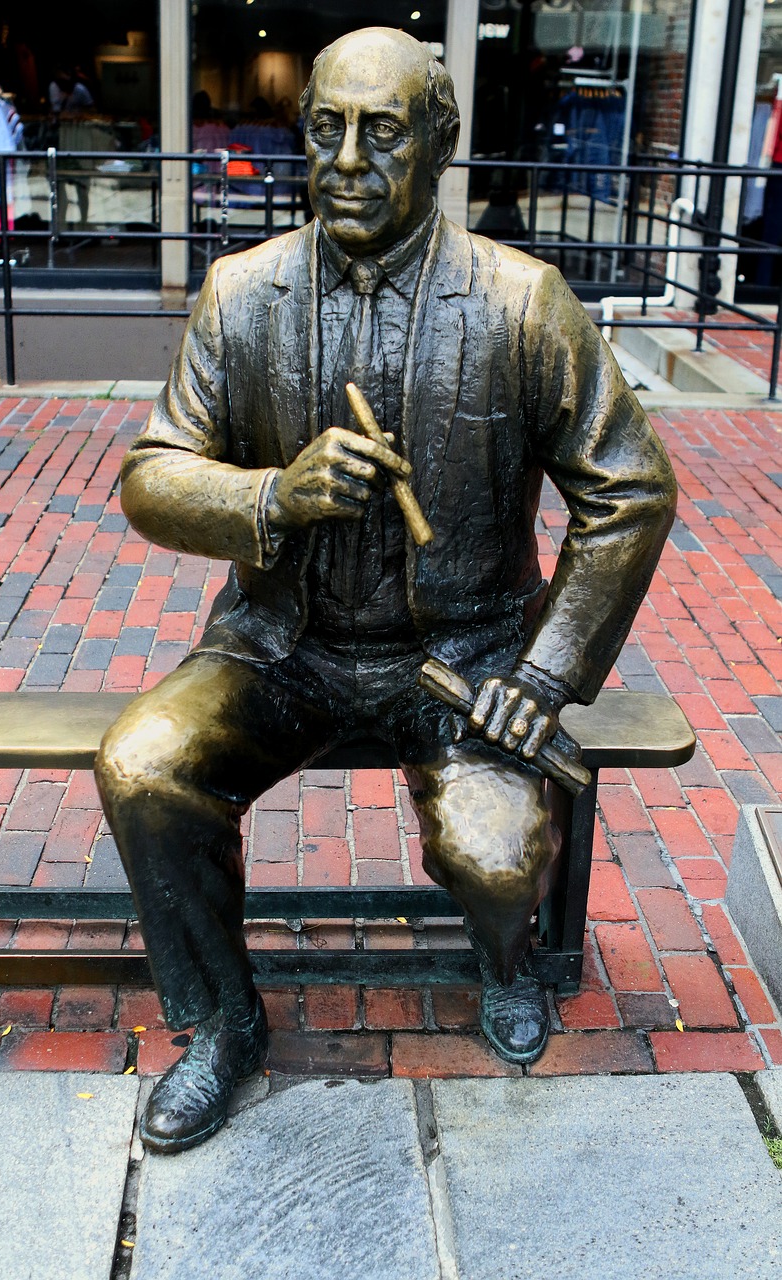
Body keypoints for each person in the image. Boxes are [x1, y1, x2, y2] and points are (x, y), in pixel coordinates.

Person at [95, 27, 677, 1155]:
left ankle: (508, 964)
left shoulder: (523, 303)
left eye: (384, 131)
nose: (349, 158)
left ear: (443, 146)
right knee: (143, 762)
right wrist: (271, 494)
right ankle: (221, 1021)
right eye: (326, 129)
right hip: (279, 644)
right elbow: (150, 475)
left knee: (500, 855)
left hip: (462, 656)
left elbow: (630, 493)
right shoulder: (242, 292)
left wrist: (546, 672)